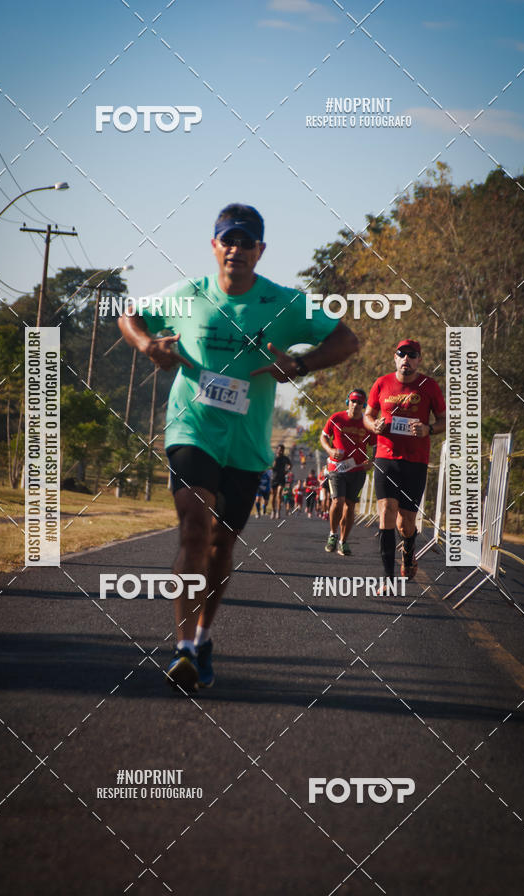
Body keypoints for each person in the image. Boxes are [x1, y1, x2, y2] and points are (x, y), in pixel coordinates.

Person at [118, 203, 358, 691]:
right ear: (214, 245)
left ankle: (204, 638)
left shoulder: (285, 303)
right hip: (193, 429)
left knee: (222, 545)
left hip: (248, 445)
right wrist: (146, 346)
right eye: (228, 239)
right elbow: (131, 315)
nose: (236, 248)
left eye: (247, 241)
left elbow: (347, 340)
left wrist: (302, 363)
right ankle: (182, 649)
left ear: (260, 250)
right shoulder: (190, 295)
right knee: (194, 526)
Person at [363, 339, 446, 582]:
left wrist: (428, 429)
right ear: (395, 357)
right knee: (387, 510)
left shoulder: (429, 386)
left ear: (419, 360)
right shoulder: (382, 383)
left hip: (416, 461)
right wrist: (373, 425)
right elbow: (368, 416)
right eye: (402, 354)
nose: (406, 359)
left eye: (412, 355)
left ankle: (409, 550)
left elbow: (444, 420)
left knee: (405, 522)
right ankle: (388, 577)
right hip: (386, 457)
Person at [321, 389, 376, 556]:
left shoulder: (367, 423)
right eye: (353, 401)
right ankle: (332, 534)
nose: (356, 405)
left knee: (350, 505)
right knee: (338, 501)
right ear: (348, 402)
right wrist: (330, 450)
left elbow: (375, 445)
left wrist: (372, 461)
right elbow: (323, 436)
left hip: (357, 469)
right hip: (336, 468)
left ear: (364, 405)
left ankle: (343, 541)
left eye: (360, 402)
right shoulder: (336, 418)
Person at [270, 443, 292, 519]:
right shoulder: (273, 457)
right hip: (273, 479)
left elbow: (290, 465)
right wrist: (272, 465)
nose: (280, 451)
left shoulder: (285, 458)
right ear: (277, 450)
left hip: (281, 478)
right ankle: (273, 510)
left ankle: (278, 512)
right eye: (279, 450)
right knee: (273, 496)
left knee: (279, 494)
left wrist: (287, 470)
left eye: (282, 450)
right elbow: (269, 465)